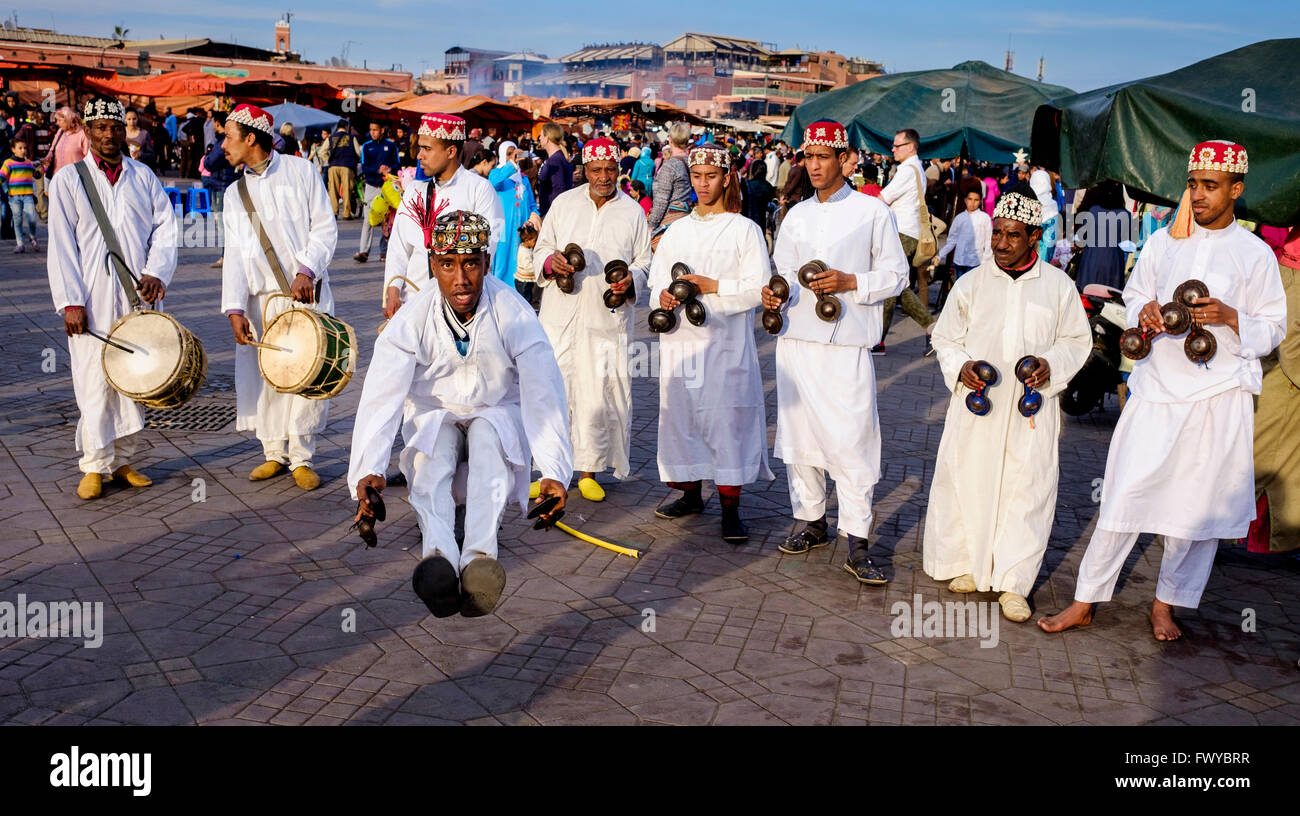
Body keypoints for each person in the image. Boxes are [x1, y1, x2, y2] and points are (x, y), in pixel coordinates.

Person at [1039, 140, 1287, 641]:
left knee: (1194, 510)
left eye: (1210, 187)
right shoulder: (1164, 241)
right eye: (1193, 184)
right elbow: (1134, 294)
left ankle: (1165, 605)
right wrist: (1145, 310)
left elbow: (1274, 328)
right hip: (1156, 389)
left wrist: (1233, 318)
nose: (1197, 195)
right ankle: (1086, 599)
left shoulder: (1255, 254)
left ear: (1236, 190)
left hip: (1218, 396)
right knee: (1124, 494)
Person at [347, 209, 571, 618]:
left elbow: (544, 393)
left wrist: (555, 470)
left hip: (496, 411)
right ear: (433, 265)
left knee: (489, 449)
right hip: (435, 414)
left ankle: (480, 560)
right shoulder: (412, 320)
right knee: (431, 462)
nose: (461, 278)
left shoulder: (516, 313)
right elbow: (382, 397)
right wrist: (369, 467)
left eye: (470, 263)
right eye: (448, 264)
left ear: (487, 262)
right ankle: (438, 558)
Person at [923, 191, 1092, 621]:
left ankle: (1014, 582)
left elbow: (1076, 340)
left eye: (1012, 236)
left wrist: (1049, 366)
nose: (1000, 243)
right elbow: (944, 338)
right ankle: (969, 565)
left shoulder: (1058, 286)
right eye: (997, 233)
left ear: (1034, 236)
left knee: (1027, 491)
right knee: (967, 480)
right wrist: (961, 367)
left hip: (1029, 412)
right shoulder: (971, 283)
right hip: (978, 408)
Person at [760, 119, 909, 585]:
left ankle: (858, 540)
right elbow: (782, 269)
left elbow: (897, 275)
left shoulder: (872, 212)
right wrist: (774, 293)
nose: (815, 165)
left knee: (852, 438)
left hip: (846, 344)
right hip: (796, 340)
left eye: (824, 157)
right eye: (809, 157)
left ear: (845, 160)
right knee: (800, 436)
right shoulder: (797, 214)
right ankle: (812, 521)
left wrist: (852, 282)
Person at [45, 96, 178, 500]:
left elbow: (166, 227)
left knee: (135, 377)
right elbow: (62, 246)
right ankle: (94, 464)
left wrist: (157, 270)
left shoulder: (143, 176)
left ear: (125, 131)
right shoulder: (68, 180)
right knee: (92, 379)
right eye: (100, 128)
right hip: (90, 296)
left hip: (137, 294)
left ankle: (123, 461)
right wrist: (71, 300)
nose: (108, 135)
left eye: (115, 128)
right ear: (86, 131)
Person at [648, 142, 772, 543]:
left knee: (725, 421)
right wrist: (663, 297)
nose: (703, 184)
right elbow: (655, 283)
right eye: (697, 176)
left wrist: (714, 286)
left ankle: (731, 509)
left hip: (725, 345)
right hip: (681, 344)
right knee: (682, 418)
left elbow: (759, 289)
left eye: (711, 176)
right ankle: (690, 494)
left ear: (727, 177)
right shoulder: (676, 230)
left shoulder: (744, 229)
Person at [219, 104, 340, 491]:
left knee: (307, 374)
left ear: (250, 139)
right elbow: (235, 253)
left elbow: (324, 226)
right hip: (263, 302)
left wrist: (306, 269)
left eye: (228, 136)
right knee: (268, 376)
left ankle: (302, 457)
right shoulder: (234, 193)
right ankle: (274, 453)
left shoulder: (301, 172)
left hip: (305, 295)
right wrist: (235, 308)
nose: (223, 144)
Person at [534, 137, 651, 501]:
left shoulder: (633, 212)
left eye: (611, 170)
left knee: (598, 393)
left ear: (619, 169)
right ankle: (552, 469)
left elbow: (645, 262)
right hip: (560, 317)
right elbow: (541, 249)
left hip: (606, 319)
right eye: (596, 170)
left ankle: (589, 471)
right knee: (555, 390)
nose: (604, 177)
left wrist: (633, 279)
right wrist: (551, 262)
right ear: (584, 170)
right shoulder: (564, 204)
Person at [383, 114, 504, 320]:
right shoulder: (415, 192)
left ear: (451, 151)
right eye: (420, 148)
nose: (420, 155)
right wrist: (393, 289)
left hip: (461, 306)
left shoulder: (479, 190)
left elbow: (488, 246)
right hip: (414, 303)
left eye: (427, 149)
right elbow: (398, 247)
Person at [1249, 224, 1300, 553]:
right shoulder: (1292, 270)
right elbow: (1291, 338)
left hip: (1283, 383)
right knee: (1262, 467)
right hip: (1284, 386)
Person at [876, 128, 938, 355]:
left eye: (896, 145)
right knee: (898, 285)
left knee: (891, 283)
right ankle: (932, 328)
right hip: (908, 232)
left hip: (901, 232)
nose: (893, 149)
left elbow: (883, 199)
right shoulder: (915, 169)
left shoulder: (907, 171)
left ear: (910, 147)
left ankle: (878, 340)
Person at [488, 139, 542, 288]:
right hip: (503, 230)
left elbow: (532, 203)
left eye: (514, 153)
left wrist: (533, 217)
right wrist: (511, 164)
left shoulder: (523, 179)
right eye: (508, 154)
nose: (512, 156)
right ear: (501, 155)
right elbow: (494, 183)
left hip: (521, 231)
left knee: (520, 263)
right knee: (501, 264)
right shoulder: (496, 174)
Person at [934, 180, 992, 310]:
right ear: (965, 200)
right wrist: (940, 255)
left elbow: (988, 242)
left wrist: (985, 262)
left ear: (980, 201)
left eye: (976, 200)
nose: (972, 202)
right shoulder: (959, 218)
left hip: (976, 262)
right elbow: (951, 241)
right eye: (970, 199)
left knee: (973, 293)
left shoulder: (985, 218)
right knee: (959, 290)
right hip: (960, 261)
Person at [355, 121, 399, 264]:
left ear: (382, 130)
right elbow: (364, 166)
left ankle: (384, 252)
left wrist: (389, 169)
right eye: (371, 129)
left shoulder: (391, 146)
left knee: (387, 221)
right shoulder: (366, 147)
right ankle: (363, 251)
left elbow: (397, 164)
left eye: (375, 129)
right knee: (368, 219)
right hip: (371, 186)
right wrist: (377, 170)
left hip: (387, 187)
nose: (373, 132)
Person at [649, 121, 692, 233]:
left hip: (670, 220)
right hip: (686, 216)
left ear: (670, 140)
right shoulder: (691, 161)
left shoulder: (670, 165)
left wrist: (651, 225)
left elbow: (662, 199)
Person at [2, 138, 41, 252]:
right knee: (17, 220)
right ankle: (20, 244)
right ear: (13, 150)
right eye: (20, 148)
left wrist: (44, 168)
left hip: (28, 196)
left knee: (32, 219)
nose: (23, 150)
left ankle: (32, 237)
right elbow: (2, 176)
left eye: (25, 148)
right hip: (14, 197)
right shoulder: (8, 163)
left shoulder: (28, 163)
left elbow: (37, 175)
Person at [327, 120, 361, 219]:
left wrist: (328, 160)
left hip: (333, 167)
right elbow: (358, 152)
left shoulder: (331, 138)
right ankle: (346, 213)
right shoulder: (351, 138)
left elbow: (322, 151)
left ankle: (334, 212)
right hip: (347, 166)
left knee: (333, 190)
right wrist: (355, 160)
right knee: (347, 190)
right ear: (346, 127)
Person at [535, 122, 572, 215]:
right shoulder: (554, 158)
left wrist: (555, 215)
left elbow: (559, 189)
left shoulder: (555, 160)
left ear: (547, 138)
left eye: (541, 135)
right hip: (549, 209)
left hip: (552, 212)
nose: (539, 138)